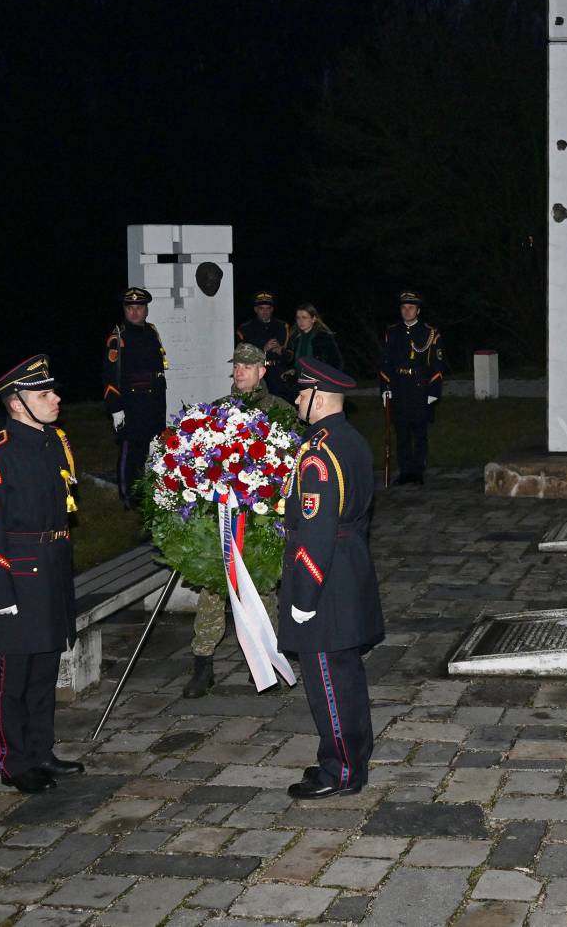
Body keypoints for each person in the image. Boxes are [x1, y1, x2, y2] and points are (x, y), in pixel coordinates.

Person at [0, 355, 83, 793]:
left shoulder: (52, 442)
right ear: (17, 404)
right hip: (16, 578)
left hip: (50, 572)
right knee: (13, 676)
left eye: (52, 391)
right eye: (43, 394)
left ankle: (41, 751)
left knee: (44, 670)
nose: (55, 399)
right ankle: (13, 762)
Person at [279, 356, 384, 799]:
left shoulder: (318, 455)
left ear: (318, 398)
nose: (298, 400)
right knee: (345, 674)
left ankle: (339, 770)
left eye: (302, 393)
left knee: (327, 678)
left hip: (326, 578)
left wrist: (303, 596)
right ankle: (351, 754)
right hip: (350, 565)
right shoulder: (351, 440)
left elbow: (317, 532)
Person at [183, 343, 283, 698]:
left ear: (262, 370)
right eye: (237, 365)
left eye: (248, 365)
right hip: (222, 521)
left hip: (259, 522)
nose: (240, 370)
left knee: (262, 588)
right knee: (213, 587)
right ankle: (202, 664)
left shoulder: (279, 412)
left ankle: (269, 661)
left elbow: (288, 464)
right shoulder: (218, 412)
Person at [103, 287, 168, 503]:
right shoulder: (118, 336)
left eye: (139, 307)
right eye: (129, 308)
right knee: (132, 449)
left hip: (154, 400)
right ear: (124, 310)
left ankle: (150, 489)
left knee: (154, 445)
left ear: (146, 310)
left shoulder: (151, 331)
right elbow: (110, 374)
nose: (134, 312)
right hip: (132, 402)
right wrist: (115, 408)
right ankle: (128, 494)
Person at [379, 291, 444, 485]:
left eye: (411, 307)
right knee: (402, 431)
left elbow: (437, 366)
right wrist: (385, 386)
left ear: (418, 310)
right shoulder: (392, 332)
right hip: (399, 386)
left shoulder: (429, 333)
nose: (407, 311)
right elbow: (385, 362)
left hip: (419, 387)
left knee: (419, 430)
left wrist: (433, 391)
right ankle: (405, 470)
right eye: (404, 307)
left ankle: (418, 471)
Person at [236, 292, 292, 398]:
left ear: (272, 309)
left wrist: (281, 351)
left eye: (268, 308)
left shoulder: (282, 327)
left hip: (279, 375)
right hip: (257, 375)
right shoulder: (245, 329)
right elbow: (242, 356)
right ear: (255, 310)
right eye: (261, 308)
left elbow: (291, 356)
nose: (265, 312)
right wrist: (263, 349)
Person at [285, 303, 343, 388]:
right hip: (300, 383)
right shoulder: (295, 339)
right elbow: (297, 362)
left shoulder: (323, 337)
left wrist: (325, 380)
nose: (301, 321)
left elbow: (336, 363)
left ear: (313, 319)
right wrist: (293, 370)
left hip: (318, 384)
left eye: (304, 317)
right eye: (298, 318)